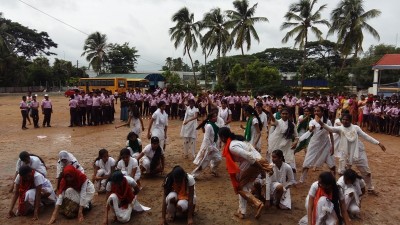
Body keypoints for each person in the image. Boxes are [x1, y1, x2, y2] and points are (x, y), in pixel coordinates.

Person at [316, 112, 386, 194]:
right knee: (342, 172)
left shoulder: (356, 128)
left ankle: (370, 188)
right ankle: (342, 189)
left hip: (358, 153)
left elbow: (366, 136)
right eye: (343, 119)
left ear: (351, 120)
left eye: (347, 120)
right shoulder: (340, 128)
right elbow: (330, 129)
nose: (345, 121)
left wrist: (378, 143)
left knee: (367, 172)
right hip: (345, 154)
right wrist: (320, 122)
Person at [218, 127, 272, 219]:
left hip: (254, 162)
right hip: (256, 161)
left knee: (239, 187)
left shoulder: (232, 146)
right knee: (244, 186)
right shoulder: (237, 141)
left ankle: (256, 203)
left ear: (222, 137)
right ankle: (242, 211)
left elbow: (249, 156)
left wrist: (261, 168)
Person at [299, 106, 336, 183]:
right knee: (307, 162)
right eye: (315, 111)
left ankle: (333, 180)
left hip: (326, 144)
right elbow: (310, 129)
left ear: (322, 112)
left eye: (318, 111)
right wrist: (311, 128)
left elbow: (331, 134)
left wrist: (332, 146)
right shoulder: (312, 121)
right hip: (314, 144)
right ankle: (302, 179)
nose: (316, 112)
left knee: (332, 165)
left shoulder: (328, 121)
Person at [267, 108, 299, 172]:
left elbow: (296, 137)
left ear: (289, 115)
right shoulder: (278, 122)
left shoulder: (292, 124)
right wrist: (270, 113)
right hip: (277, 145)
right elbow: (273, 119)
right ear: (280, 115)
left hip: (287, 145)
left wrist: (295, 142)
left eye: (286, 114)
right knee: (276, 160)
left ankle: (289, 176)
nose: (284, 115)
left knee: (288, 160)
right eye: (283, 114)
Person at [192, 113, 221, 178]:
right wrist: (209, 147)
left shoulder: (214, 125)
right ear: (210, 119)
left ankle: (213, 169)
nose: (216, 118)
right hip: (208, 147)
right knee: (204, 163)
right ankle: (193, 175)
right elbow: (206, 138)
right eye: (214, 117)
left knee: (218, 158)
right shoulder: (209, 126)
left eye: (216, 116)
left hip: (213, 145)